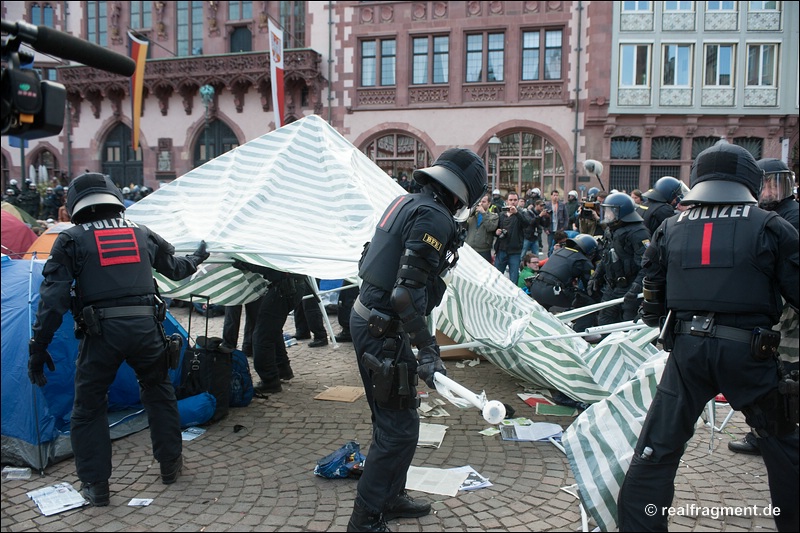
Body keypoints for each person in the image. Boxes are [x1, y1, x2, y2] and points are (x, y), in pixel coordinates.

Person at [617, 142, 799, 532]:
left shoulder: (669, 226)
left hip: (686, 351)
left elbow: (651, 300)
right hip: (749, 354)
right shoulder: (771, 225)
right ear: (750, 179)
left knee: (656, 451)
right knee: (784, 448)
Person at [26, 172, 210, 506]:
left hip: (100, 336)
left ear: (75, 205)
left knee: (88, 409)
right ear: (112, 197)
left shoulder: (70, 240)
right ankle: (170, 466)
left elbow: (52, 301)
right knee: (159, 394)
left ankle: (97, 488)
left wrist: (38, 347)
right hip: (147, 331)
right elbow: (177, 268)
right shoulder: (142, 233)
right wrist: (198, 257)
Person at [346, 148, 486, 531]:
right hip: (383, 331)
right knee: (398, 429)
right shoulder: (434, 217)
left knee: (395, 421)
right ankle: (365, 521)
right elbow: (404, 295)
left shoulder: (404, 202)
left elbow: (367, 263)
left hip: (371, 322)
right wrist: (428, 349)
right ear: (462, 193)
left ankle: (390, 497)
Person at [729, 157, 800, 456]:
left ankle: (775, 436)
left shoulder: (790, 217)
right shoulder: (773, 215)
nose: (769, 189)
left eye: (774, 182)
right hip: (780, 304)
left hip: (789, 310)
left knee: (784, 370)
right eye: (765, 182)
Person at [232, 260, 305, 394]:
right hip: (290, 285)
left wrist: (246, 263)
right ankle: (282, 369)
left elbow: (269, 264)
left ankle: (270, 380)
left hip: (284, 287)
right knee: (272, 330)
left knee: (262, 336)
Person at [589, 193, 650, 326]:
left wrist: (636, 288)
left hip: (629, 286)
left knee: (628, 325)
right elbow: (606, 256)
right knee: (604, 321)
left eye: (610, 211)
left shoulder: (638, 232)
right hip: (612, 286)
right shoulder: (611, 230)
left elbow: (647, 265)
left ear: (621, 212)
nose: (607, 215)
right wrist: (596, 276)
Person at [493, 191, 525, 285]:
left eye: (515, 200)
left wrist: (517, 213)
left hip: (515, 252)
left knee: (513, 279)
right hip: (501, 250)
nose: (513, 202)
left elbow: (527, 224)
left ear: (518, 201)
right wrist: (497, 232)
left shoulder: (521, 213)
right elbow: (494, 229)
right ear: (507, 201)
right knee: (497, 277)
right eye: (511, 200)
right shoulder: (501, 215)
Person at [465, 193, 499, 263]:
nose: (480, 204)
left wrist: (483, 213)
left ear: (489, 204)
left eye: (483, 202)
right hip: (470, 248)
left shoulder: (493, 216)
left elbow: (491, 227)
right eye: (479, 201)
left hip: (483, 250)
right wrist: (470, 212)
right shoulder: (472, 215)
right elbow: (463, 225)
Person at [545, 190, 568, 256]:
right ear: (551, 196)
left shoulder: (562, 205)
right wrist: (545, 229)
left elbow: (566, 217)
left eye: (557, 195)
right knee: (550, 245)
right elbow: (543, 219)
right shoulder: (547, 205)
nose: (556, 197)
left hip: (559, 228)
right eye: (554, 195)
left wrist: (564, 227)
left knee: (560, 244)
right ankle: (549, 257)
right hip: (550, 228)